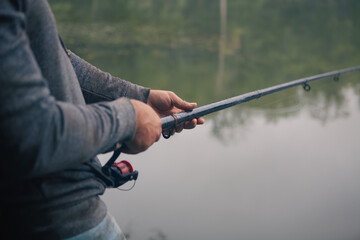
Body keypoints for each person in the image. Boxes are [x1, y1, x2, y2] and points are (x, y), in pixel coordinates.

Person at [0, 0, 204, 239]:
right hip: (56, 220)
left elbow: (53, 58)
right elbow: (31, 130)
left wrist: (140, 98)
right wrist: (128, 120)